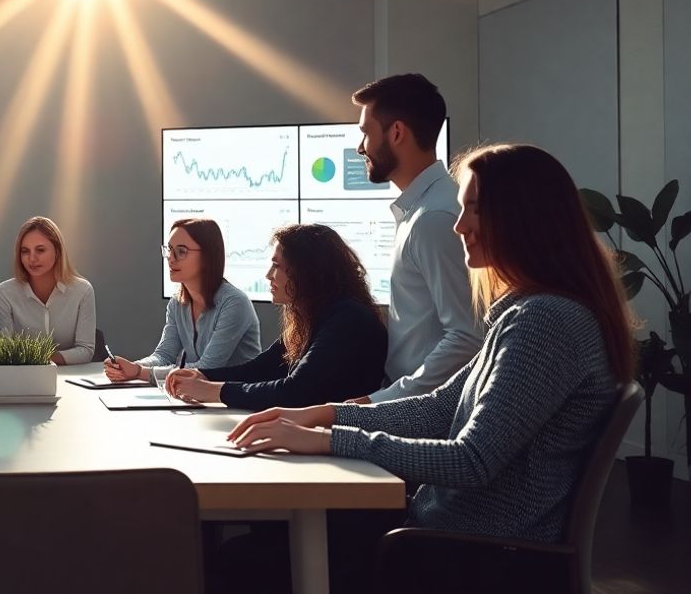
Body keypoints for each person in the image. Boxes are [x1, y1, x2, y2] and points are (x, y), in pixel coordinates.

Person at [225, 144, 636, 591]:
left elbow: (472, 460)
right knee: (266, 546)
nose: (459, 227)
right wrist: (323, 416)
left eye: (473, 211)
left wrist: (330, 440)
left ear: (525, 217)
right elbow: (441, 407)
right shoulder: (530, 311)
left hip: (469, 554)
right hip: (454, 536)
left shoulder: (545, 321)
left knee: (246, 561)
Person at [351, 73, 482, 402]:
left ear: (396, 133)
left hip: (419, 410)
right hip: (406, 400)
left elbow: (467, 337)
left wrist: (379, 403)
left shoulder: (434, 219)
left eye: (366, 133)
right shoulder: (424, 209)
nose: (359, 147)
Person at [165, 224, 386, 408]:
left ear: (306, 272)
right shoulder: (313, 316)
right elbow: (260, 369)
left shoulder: (347, 319)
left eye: (277, 266)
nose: (269, 275)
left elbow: (295, 392)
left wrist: (216, 391)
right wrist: (203, 376)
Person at [104, 218, 260, 385]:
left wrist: (138, 372)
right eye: (169, 250)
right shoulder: (177, 303)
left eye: (181, 251)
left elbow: (207, 369)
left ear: (207, 256)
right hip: (201, 400)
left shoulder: (235, 303)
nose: (171, 258)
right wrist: (131, 367)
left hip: (239, 404)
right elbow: (164, 355)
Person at [0, 216, 97, 365]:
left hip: (71, 377)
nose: (32, 258)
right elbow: (5, 350)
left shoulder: (83, 291)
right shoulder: (5, 292)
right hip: (23, 379)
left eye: (40, 250)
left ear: (57, 251)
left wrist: (42, 360)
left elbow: (86, 350)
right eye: (25, 251)